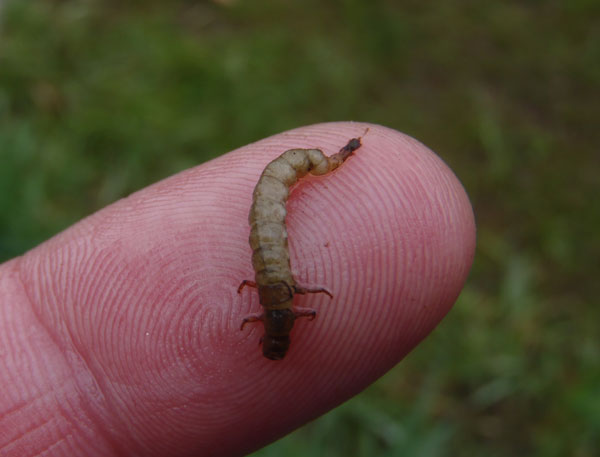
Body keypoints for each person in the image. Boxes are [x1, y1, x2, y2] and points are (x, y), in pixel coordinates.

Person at [0, 122, 475, 456]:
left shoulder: (278, 293)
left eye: (275, 335)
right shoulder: (277, 294)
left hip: (279, 232)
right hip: (279, 229)